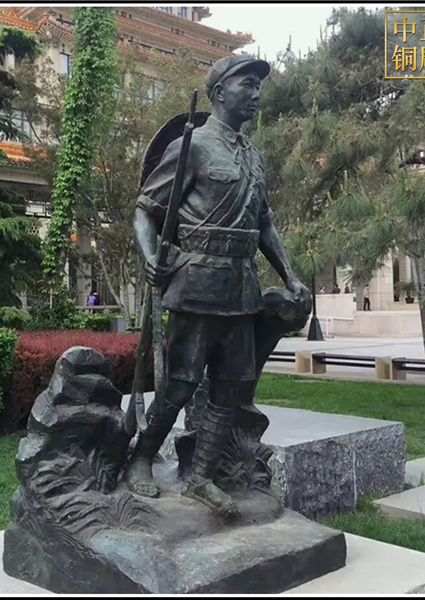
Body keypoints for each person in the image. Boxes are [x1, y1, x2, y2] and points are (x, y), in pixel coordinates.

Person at [129, 54, 311, 519]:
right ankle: (142, 458)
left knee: (232, 388)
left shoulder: (254, 157)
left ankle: (202, 477)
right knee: (180, 385)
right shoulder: (192, 146)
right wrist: (150, 258)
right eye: (246, 84)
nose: (256, 93)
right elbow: (146, 211)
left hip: (241, 287)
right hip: (197, 283)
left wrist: (289, 275)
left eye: (257, 86)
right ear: (218, 93)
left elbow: (264, 223)